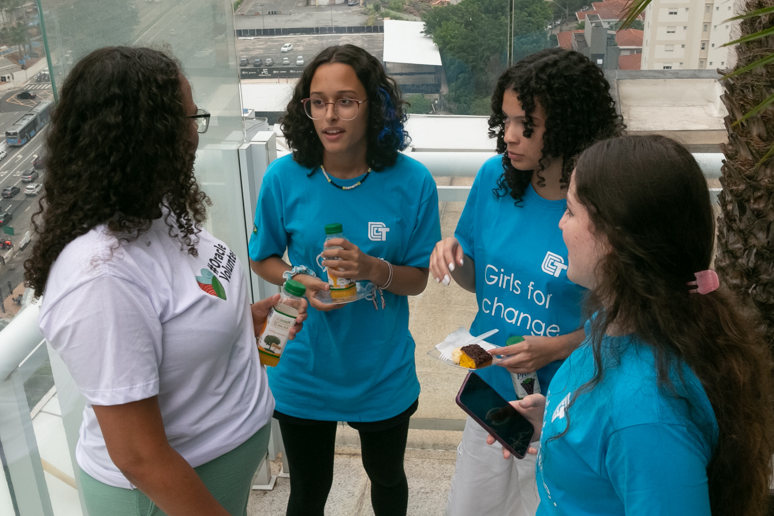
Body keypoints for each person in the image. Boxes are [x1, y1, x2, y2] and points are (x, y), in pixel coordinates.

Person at [25, 46, 306, 516]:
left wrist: (242, 322)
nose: (195, 134)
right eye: (189, 120)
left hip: (214, 472)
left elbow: (178, 319)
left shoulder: (157, 210)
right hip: (166, 499)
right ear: (146, 136)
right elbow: (139, 455)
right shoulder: (100, 276)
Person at [498, 134, 774, 515]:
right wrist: (557, 424)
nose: (560, 224)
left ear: (613, 237)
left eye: (571, 211)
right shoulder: (614, 324)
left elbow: (633, 431)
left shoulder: (649, 416)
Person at [249, 44, 441, 516]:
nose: (330, 116)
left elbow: (417, 281)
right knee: (309, 491)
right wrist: (299, 277)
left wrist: (374, 269)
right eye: (318, 101)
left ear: (373, 105)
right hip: (302, 365)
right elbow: (263, 258)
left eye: (346, 101)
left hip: (381, 369)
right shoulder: (283, 178)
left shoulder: (412, 182)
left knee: (388, 478)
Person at [432, 48, 624, 516]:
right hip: (492, 389)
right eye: (507, 121)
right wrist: (452, 259)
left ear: (568, 124)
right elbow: (480, 284)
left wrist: (557, 347)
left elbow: (628, 318)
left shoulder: (603, 207)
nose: (510, 137)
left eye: (527, 125)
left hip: (563, 405)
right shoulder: (493, 180)